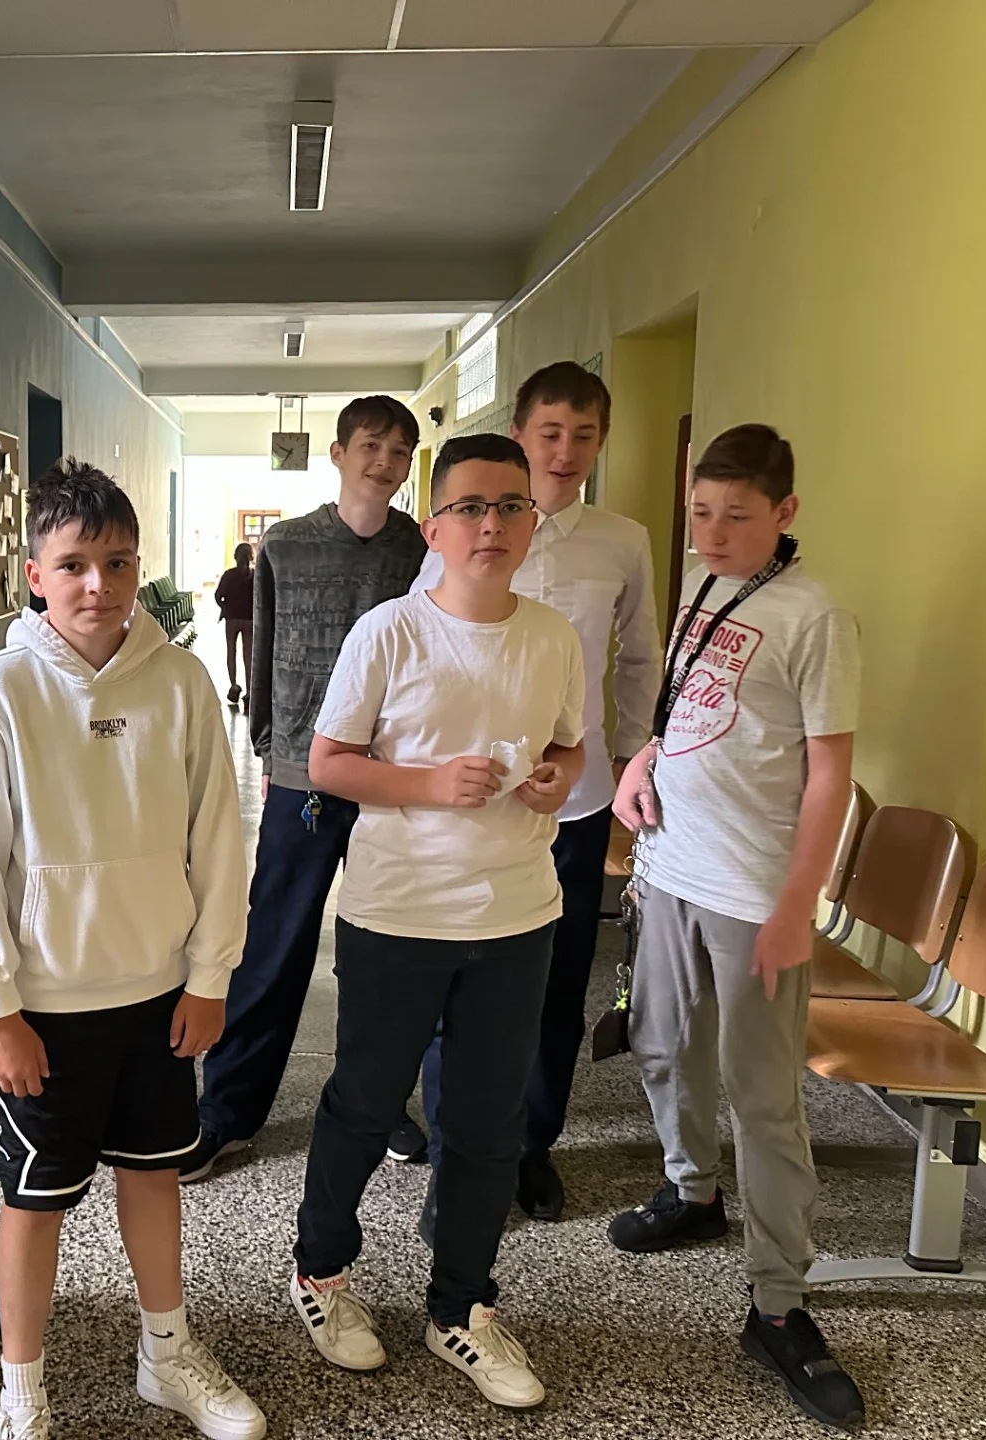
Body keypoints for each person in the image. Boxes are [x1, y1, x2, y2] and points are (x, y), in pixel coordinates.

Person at [0, 460, 264, 1440]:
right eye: (74, 564)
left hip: (157, 992)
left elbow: (219, 836)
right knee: (34, 1199)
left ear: (139, 569)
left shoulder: (180, 683)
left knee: (154, 1172)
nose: (98, 584)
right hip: (44, 1006)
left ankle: (166, 1354)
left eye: (118, 562)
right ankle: (21, 1389)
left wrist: (210, 976)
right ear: (34, 574)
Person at [287, 434, 584, 1410]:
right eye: (469, 508)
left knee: (489, 1124)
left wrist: (554, 779)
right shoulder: (390, 632)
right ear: (435, 527)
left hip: (518, 914)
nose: (491, 525)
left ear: (532, 523)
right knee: (366, 1105)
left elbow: (570, 749)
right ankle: (321, 1273)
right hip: (399, 913)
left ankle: (462, 1305)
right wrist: (428, 783)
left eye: (510, 506)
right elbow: (329, 763)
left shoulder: (553, 637)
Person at [612, 424, 864, 1430]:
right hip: (670, 865)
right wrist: (640, 766)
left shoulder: (816, 615)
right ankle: (692, 1192)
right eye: (701, 514)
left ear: (785, 513)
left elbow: (831, 774)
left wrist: (799, 906)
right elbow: (683, 710)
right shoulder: (705, 586)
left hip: (755, 894)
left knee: (764, 1100)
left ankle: (779, 1303)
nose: (712, 534)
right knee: (660, 1043)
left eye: (736, 517)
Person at [395, 362, 659, 1220]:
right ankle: (454, 1152)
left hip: (573, 802)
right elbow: (424, 647)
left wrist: (630, 763)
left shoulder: (621, 540)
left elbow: (639, 659)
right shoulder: (467, 527)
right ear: (520, 435)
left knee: (554, 981)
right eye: (550, 432)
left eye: (584, 435)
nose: (566, 450)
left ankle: (530, 1144)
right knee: (457, 981)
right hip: (472, 803)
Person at [186, 396, 426, 1182]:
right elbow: (264, 644)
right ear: (339, 453)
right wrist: (268, 744)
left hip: (390, 772)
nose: (384, 462)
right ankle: (227, 1110)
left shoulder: (420, 548)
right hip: (303, 772)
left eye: (399, 450)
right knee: (276, 944)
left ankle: (380, 1103)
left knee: (383, 950)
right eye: (371, 446)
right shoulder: (286, 545)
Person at [212, 542, 254, 708]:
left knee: (231, 651)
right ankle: (249, 692)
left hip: (232, 619)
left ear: (235, 557)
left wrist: (225, 607)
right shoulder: (255, 576)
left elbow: (218, 595)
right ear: (251, 557)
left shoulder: (229, 575)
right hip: (250, 619)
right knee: (248, 655)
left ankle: (234, 686)